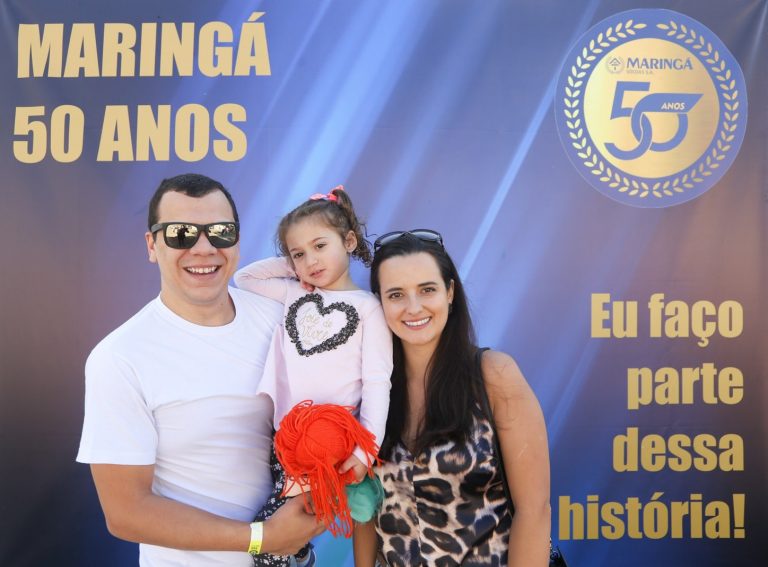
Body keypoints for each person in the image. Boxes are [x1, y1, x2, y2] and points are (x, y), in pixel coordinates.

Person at [76, 174, 324, 566]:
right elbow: (126, 512)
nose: (204, 248)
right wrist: (262, 538)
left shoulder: (281, 319)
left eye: (221, 232)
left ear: (237, 240)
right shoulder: (120, 358)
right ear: (152, 245)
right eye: (181, 234)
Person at [355, 229, 551, 566]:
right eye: (396, 294)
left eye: (427, 290)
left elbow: (534, 511)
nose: (413, 307)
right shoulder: (369, 391)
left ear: (450, 292)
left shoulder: (494, 375)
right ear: (379, 303)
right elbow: (365, 511)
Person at [234, 185, 393, 566]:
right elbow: (245, 278)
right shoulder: (296, 295)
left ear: (349, 241)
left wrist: (365, 451)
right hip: (286, 438)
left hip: (329, 445)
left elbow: (377, 383)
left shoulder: (368, 308)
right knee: (282, 528)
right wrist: (294, 270)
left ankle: (298, 555)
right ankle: (301, 555)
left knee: (271, 538)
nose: (311, 260)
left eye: (320, 246)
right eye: (299, 253)